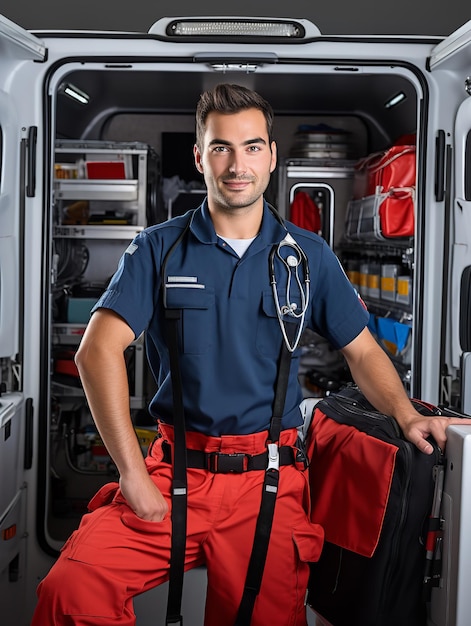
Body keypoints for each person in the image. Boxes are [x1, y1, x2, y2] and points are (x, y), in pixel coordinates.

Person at [31, 83, 471, 626]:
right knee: (71, 591)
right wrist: (130, 474)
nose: (237, 164)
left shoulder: (308, 256)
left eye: (252, 146)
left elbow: (361, 351)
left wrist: (405, 415)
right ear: (200, 156)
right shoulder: (157, 248)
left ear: (271, 155)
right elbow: (96, 353)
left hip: (270, 482)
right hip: (175, 475)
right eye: (221, 147)